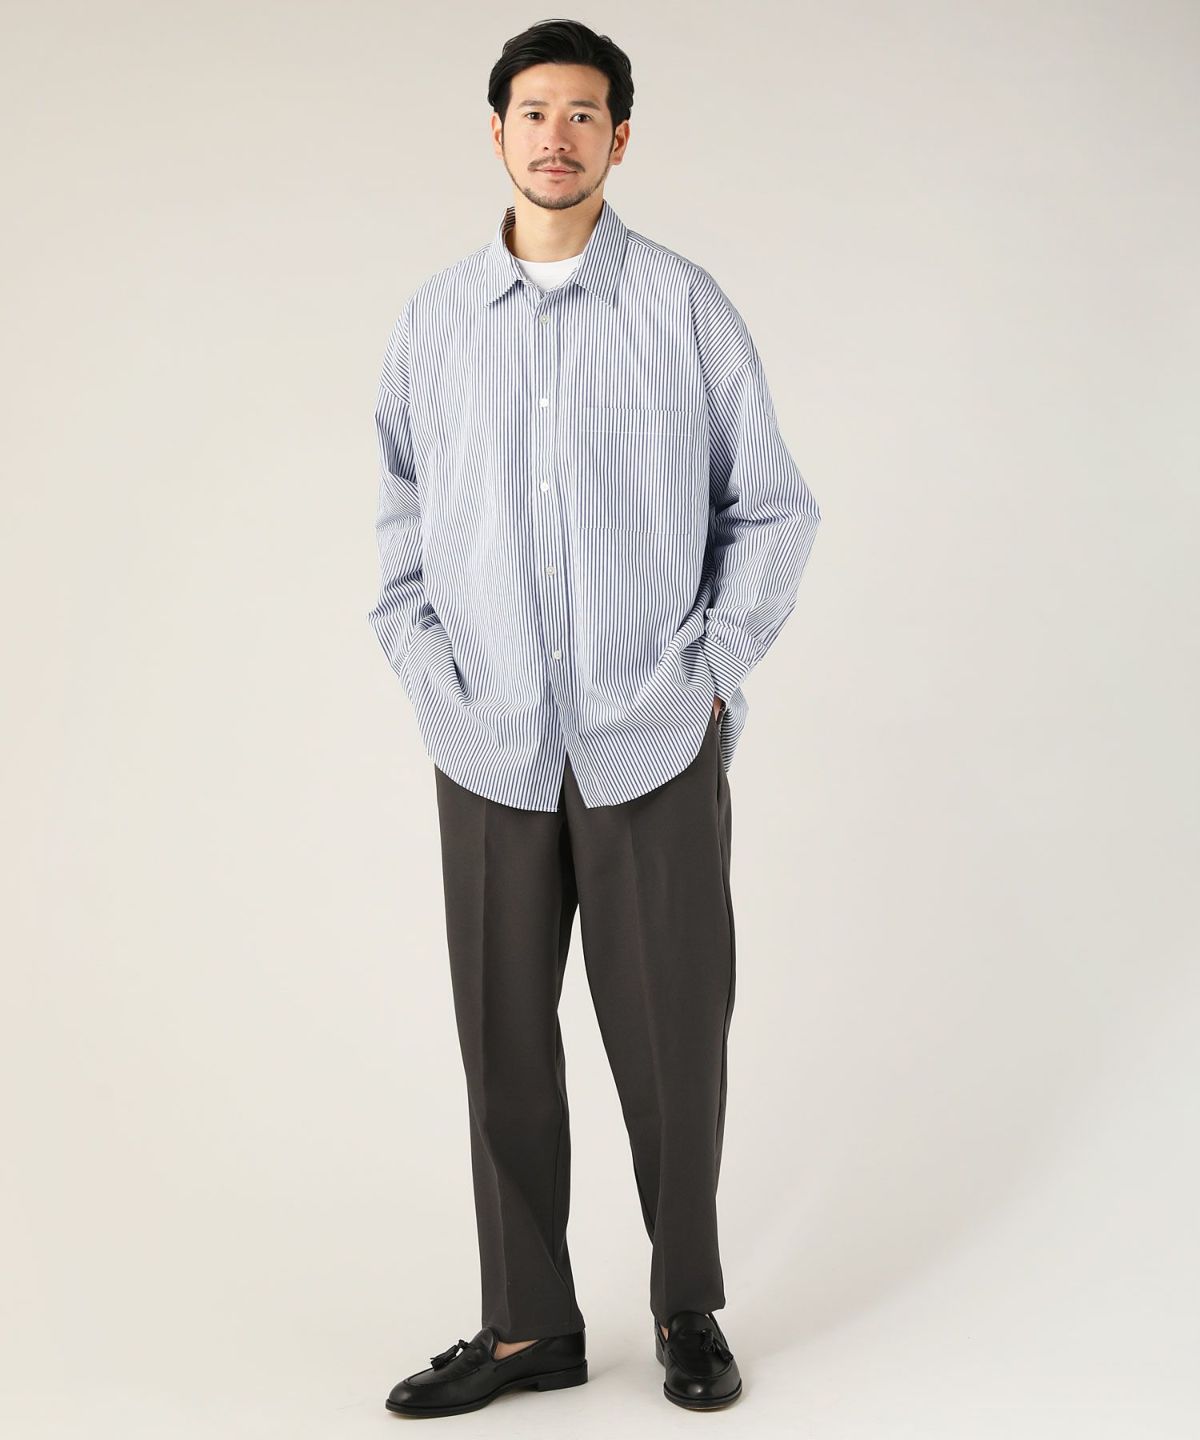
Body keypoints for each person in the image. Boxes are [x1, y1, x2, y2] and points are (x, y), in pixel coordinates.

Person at [368, 18, 821, 1419]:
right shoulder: (437, 322)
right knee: (502, 1041)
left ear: (620, 136)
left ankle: (686, 1307)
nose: (555, 136)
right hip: (488, 739)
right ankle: (527, 1330)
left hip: (650, 738)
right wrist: (432, 677)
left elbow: (772, 510)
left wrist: (711, 671)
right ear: (497, 132)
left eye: (582, 114)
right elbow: (401, 521)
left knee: (673, 1037)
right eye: (532, 112)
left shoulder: (685, 308)